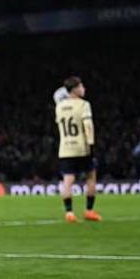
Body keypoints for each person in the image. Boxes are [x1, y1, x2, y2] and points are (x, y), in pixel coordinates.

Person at [55, 76, 100, 223]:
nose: (83, 89)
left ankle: (69, 213)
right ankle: (89, 211)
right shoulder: (84, 105)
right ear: (74, 89)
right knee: (91, 177)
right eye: (81, 86)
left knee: (68, 180)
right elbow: (88, 126)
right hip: (82, 148)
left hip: (65, 149)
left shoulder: (59, 106)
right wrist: (91, 145)